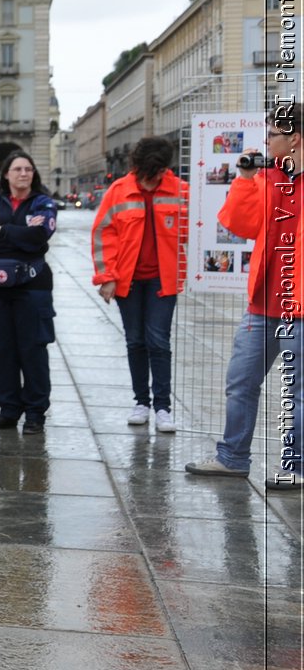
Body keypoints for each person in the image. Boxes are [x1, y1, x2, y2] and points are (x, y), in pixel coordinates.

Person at [187, 105, 302, 489]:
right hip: (262, 304)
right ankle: (233, 458)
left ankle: (296, 468)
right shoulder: (268, 178)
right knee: (240, 381)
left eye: (272, 135)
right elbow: (239, 223)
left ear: (295, 139)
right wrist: (245, 178)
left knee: (297, 393)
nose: (265, 141)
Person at [91, 135, 187, 433]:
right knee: (135, 341)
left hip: (163, 279)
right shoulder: (118, 191)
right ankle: (141, 402)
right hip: (128, 280)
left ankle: (162, 407)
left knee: (158, 341)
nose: (151, 180)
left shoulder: (181, 190)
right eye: (147, 175)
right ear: (137, 169)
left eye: (157, 174)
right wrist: (106, 277)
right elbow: (102, 234)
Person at [0, 151, 59, 434]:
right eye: (17, 169)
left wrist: (6, 230)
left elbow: (40, 236)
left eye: (28, 169)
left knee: (32, 348)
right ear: (6, 175)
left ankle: (36, 413)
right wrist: (21, 230)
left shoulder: (43, 203)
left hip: (33, 287)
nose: (24, 174)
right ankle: (9, 409)